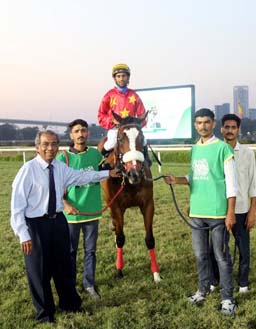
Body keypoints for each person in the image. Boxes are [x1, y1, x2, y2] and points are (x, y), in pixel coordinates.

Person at [10, 130, 120, 323]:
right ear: (37, 147)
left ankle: (70, 304)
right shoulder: (28, 170)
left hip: (59, 221)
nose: (50, 148)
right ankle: (45, 314)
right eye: (45, 144)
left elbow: (81, 177)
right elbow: (17, 205)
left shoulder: (60, 167)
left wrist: (107, 173)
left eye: (53, 144)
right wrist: (23, 233)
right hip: (36, 225)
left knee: (64, 267)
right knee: (40, 272)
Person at [163, 108, 237, 316]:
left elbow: (232, 184)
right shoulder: (194, 149)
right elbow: (194, 175)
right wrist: (176, 180)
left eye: (206, 122)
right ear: (195, 126)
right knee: (200, 255)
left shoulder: (223, 148)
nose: (202, 126)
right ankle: (203, 290)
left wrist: (230, 212)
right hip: (197, 213)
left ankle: (227, 299)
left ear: (213, 124)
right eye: (198, 123)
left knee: (221, 257)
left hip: (217, 214)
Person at [210, 114, 256, 293]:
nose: (230, 130)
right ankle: (214, 282)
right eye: (226, 127)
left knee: (244, 250)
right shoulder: (215, 150)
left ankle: (243, 284)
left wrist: (252, 211)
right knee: (216, 250)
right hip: (219, 210)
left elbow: (253, 184)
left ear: (238, 130)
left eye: (233, 127)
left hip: (241, 210)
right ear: (221, 129)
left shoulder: (247, 153)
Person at [56, 119, 103, 299]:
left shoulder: (95, 155)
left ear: (88, 133)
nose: (80, 134)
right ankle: (71, 285)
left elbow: (108, 170)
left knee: (91, 251)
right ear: (71, 135)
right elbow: (54, 186)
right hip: (72, 215)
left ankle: (89, 284)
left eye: (83, 130)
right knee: (70, 252)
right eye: (76, 131)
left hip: (92, 212)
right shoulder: (63, 158)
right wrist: (65, 204)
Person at [97, 63, 151, 166]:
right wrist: (112, 120)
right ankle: (99, 162)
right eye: (118, 76)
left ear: (128, 78)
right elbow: (101, 115)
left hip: (131, 128)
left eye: (124, 76)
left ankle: (146, 161)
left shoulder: (134, 95)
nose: (121, 78)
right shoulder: (109, 95)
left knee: (143, 140)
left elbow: (142, 115)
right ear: (115, 79)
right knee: (111, 143)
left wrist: (137, 124)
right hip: (116, 128)